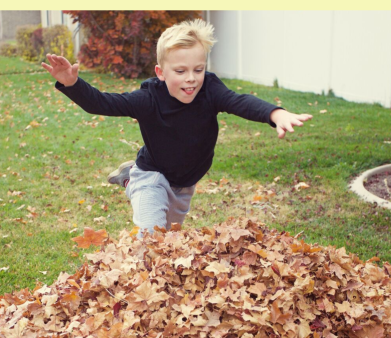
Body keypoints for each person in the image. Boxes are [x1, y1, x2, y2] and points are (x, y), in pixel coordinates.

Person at [42, 19, 312, 235]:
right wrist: (71, 84)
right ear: (161, 73)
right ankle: (139, 284)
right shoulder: (148, 99)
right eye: (180, 71)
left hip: (184, 184)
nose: (191, 79)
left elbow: (239, 101)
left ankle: (126, 177)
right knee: (151, 236)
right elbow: (103, 103)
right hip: (152, 175)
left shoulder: (210, 90)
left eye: (198, 69)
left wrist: (275, 113)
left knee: (170, 239)